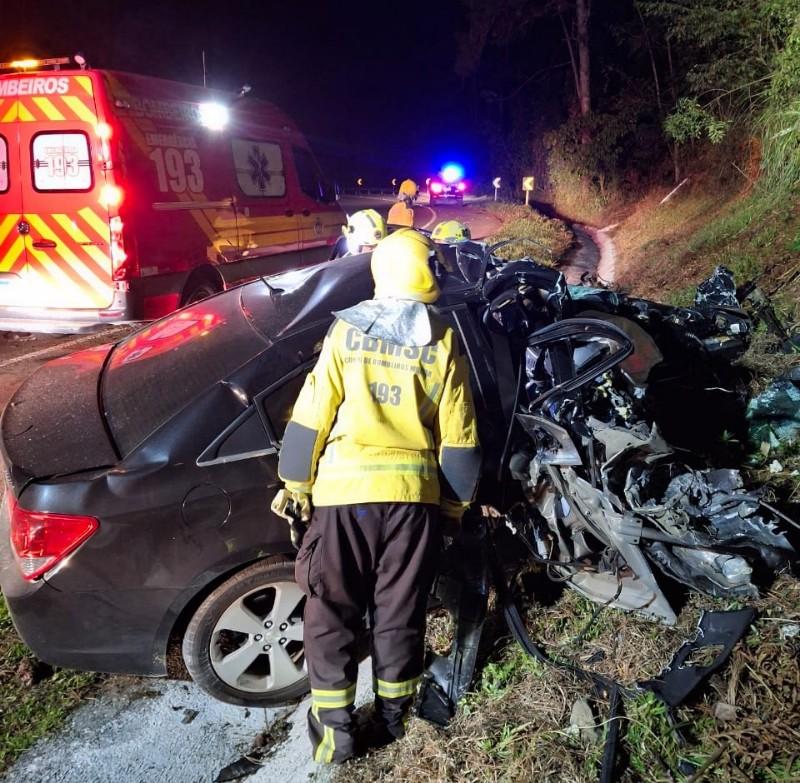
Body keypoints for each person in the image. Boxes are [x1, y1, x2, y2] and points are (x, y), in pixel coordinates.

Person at [271, 228, 481, 763]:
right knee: (399, 613)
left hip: (344, 499)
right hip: (414, 501)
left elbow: (310, 418)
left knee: (331, 613)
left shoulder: (346, 334)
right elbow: (461, 440)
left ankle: (336, 733)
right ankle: (391, 718)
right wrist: (451, 511)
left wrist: (295, 485)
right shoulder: (442, 339)